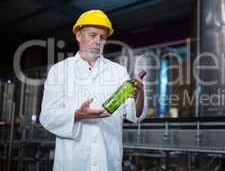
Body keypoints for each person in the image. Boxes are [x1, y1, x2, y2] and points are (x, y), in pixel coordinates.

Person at [39, 10, 148, 171]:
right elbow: (47, 116)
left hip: (108, 161)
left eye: (103, 37)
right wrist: (77, 115)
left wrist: (140, 96)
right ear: (78, 35)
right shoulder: (59, 70)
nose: (98, 41)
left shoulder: (118, 71)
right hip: (72, 163)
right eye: (92, 35)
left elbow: (134, 115)